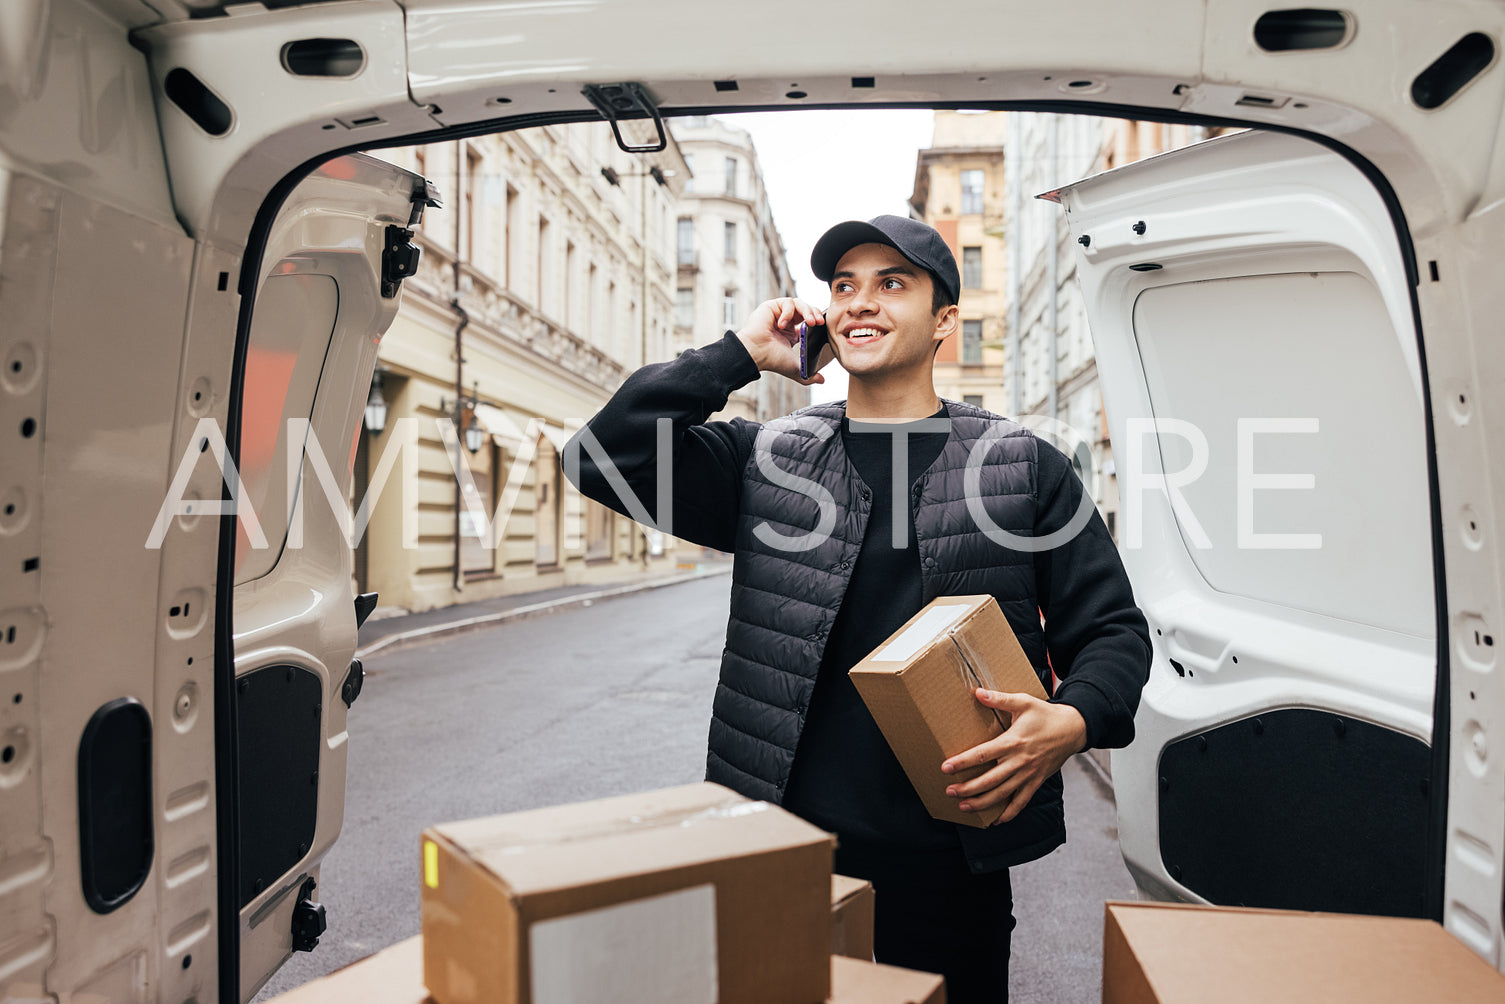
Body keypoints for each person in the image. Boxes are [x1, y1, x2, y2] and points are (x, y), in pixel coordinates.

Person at [564, 215, 1152, 1003]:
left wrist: (1074, 720)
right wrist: (735, 357)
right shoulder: (765, 459)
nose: (858, 303)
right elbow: (602, 457)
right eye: (842, 286)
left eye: (890, 283)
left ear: (946, 319)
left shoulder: (1021, 465)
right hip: (784, 847)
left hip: (950, 863)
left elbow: (1111, 632)